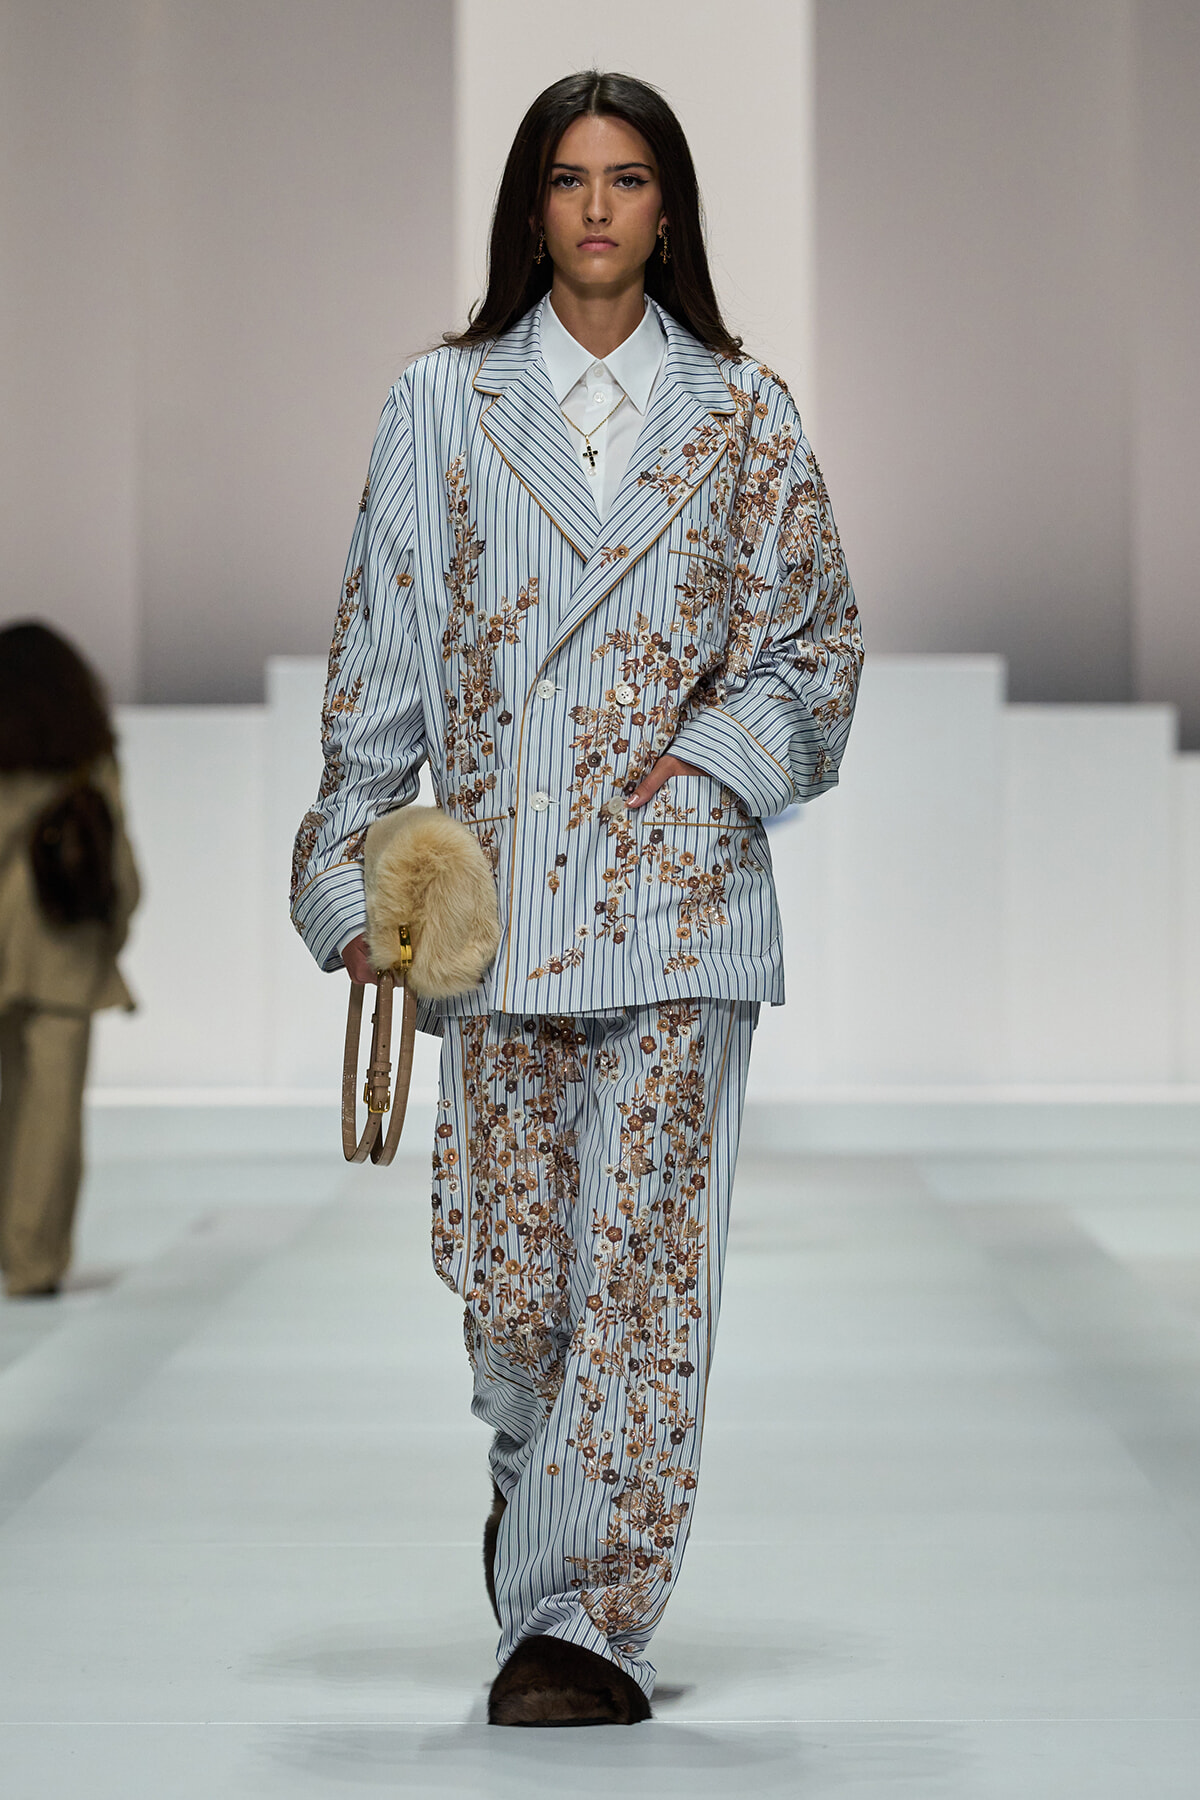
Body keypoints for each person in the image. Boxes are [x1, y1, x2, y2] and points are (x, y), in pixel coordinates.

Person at [291, 70, 862, 1725]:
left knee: (643, 1275)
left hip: (683, 908)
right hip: (496, 913)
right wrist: (351, 875)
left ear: (668, 208)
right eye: (567, 178)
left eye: (626, 178)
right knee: (516, 1284)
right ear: (529, 210)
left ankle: (578, 1618)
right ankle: (538, 1489)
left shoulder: (746, 414)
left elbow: (819, 638)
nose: (598, 206)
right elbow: (381, 653)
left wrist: (716, 772)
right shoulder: (440, 406)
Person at [0, 621, 140, 1299]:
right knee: (51, 1118)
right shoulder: (89, 761)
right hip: (64, 959)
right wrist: (109, 945)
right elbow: (121, 870)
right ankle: (33, 1262)